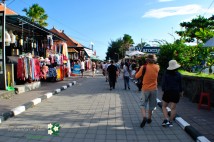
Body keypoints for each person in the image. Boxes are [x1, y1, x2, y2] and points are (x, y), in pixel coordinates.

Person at [135, 54, 160, 128]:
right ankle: (149, 118)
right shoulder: (157, 67)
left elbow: (136, 76)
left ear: (147, 60)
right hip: (154, 89)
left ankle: (144, 117)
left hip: (145, 89)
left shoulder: (143, 67)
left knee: (142, 104)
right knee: (152, 105)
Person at [161, 60, 183, 127]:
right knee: (173, 108)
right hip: (176, 92)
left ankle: (166, 119)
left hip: (167, 92)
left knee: (164, 106)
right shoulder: (179, 75)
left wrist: (163, 90)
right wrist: (181, 92)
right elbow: (180, 85)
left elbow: (163, 84)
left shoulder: (166, 74)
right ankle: (170, 122)